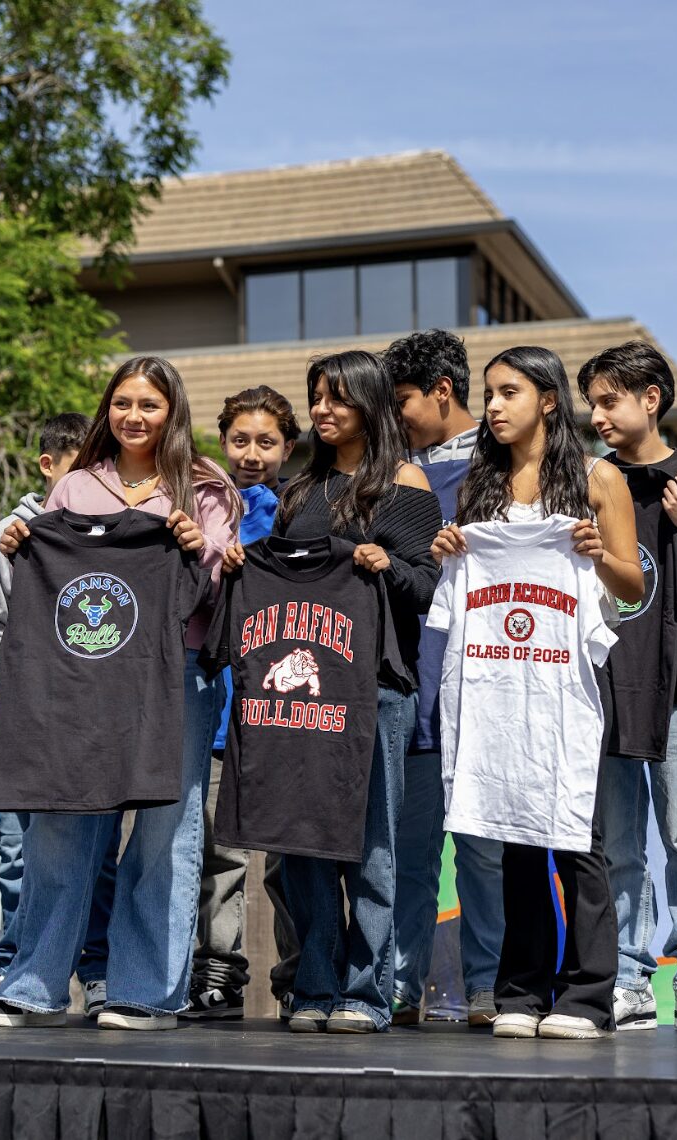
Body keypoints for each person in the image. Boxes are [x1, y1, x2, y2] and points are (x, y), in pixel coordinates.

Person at [0, 355, 238, 1031]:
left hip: (175, 679)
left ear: (172, 412)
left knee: (164, 834)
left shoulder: (205, 487)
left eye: (149, 405)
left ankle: (144, 993)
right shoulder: (74, 488)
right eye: (123, 403)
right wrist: (19, 546)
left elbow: (215, 588)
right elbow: (48, 587)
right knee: (61, 830)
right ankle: (32, 985)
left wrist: (195, 546)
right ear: (106, 410)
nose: (134, 416)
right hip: (82, 687)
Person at [430, 346, 643, 1040]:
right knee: (516, 832)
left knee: (579, 839)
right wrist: (448, 553)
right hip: (501, 689)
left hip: (568, 683)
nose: (492, 406)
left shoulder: (597, 478)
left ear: (549, 400)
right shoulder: (478, 486)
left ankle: (586, 996)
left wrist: (596, 555)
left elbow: (634, 588)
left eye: (509, 392)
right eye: (489, 393)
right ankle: (522, 992)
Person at [244, 349, 441, 1034]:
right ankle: (316, 986)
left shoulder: (404, 480)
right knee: (303, 846)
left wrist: (386, 565)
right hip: (301, 701)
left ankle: (368, 991)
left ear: (370, 403)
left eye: (338, 398)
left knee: (372, 847)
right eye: (317, 397)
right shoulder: (298, 492)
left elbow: (429, 588)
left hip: (379, 690)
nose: (323, 410)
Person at [577, 341, 677, 1034]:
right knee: (617, 846)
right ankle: (629, 977)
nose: (599, 416)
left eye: (609, 400)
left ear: (651, 399)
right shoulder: (588, 480)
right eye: (592, 404)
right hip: (604, 684)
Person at [0, 411, 121, 1019]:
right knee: (17, 849)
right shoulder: (11, 532)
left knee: (95, 848)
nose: (85, 481)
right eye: (75, 468)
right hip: (23, 715)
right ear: (47, 467)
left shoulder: (107, 527)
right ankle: (13, 967)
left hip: (88, 714)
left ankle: (99, 968)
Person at [384, 328, 506, 1029]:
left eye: (402, 400)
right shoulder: (385, 474)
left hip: (490, 691)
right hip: (411, 690)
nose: (394, 415)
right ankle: (401, 985)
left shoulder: (508, 467)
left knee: (486, 853)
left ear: (443, 391)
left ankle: (488, 986)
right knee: (409, 853)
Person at [186, 386, 300, 1020]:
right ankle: (217, 975)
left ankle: (296, 976)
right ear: (221, 440)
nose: (251, 454)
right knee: (219, 856)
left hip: (285, 717)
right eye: (240, 441)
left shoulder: (304, 511)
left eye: (266, 442)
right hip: (218, 708)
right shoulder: (205, 505)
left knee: (286, 858)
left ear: (288, 448)